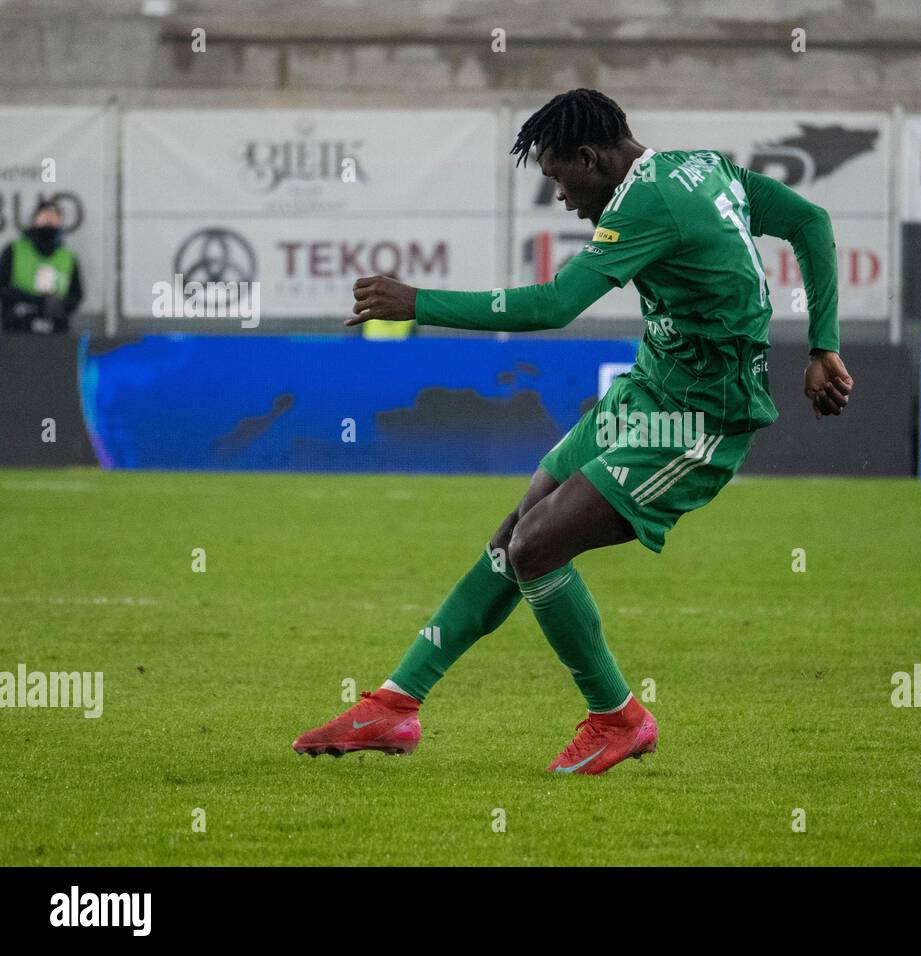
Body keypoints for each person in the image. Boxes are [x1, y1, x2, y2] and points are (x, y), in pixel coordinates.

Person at [292, 89, 853, 773]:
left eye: (560, 178)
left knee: (535, 548)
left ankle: (616, 717)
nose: (561, 197)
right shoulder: (699, 168)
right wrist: (823, 345)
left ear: (591, 159)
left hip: (701, 417)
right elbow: (811, 221)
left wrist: (417, 303)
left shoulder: (648, 204)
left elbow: (556, 304)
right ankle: (395, 704)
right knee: (518, 530)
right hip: (650, 386)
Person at [0, 200, 83, 334]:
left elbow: (76, 295)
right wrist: (37, 300)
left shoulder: (67, 257)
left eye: (54, 216)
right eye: (45, 215)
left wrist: (56, 304)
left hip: (55, 328)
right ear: (34, 220)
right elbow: (3, 286)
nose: (49, 219)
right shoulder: (14, 250)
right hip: (17, 327)